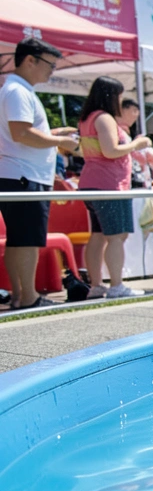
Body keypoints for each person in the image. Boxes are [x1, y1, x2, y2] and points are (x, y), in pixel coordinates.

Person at [0, 38, 79, 309]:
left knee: (20, 239)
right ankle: (28, 296)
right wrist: (60, 142)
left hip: (20, 173)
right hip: (24, 175)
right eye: (50, 64)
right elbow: (21, 133)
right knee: (27, 240)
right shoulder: (17, 91)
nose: (52, 71)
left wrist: (55, 134)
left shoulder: (16, 90)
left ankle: (23, 295)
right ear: (30, 60)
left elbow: (21, 133)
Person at [77, 77, 151, 299]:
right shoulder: (104, 118)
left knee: (98, 236)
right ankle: (116, 285)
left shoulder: (86, 119)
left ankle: (97, 285)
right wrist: (136, 144)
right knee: (117, 236)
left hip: (91, 183)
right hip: (110, 185)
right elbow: (111, 151)